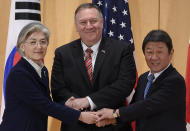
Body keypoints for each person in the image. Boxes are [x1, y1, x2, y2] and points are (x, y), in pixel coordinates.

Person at [51, 3, 136, 131]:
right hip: (75, 126)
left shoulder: (122, 49)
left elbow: (125, 84)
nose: (89, 26)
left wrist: (88, 101)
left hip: (113, 126)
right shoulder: (62, 53)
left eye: (93, 21)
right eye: (83, 22)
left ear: (102, 22)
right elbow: (58, 90)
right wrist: (76, 109)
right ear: (76, 26)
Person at [0, 22, 98, 131]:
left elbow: (46, 101)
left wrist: (66, 105)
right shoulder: (19, 74)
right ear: (22, 46)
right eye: (33, 42)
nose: (39, 46)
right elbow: (44, 105)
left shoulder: (42, 70)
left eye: (43, 42)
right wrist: (80, 116)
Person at [96, 30, 187, 131]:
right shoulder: (143, 78)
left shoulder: (175, 80)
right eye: (149, 52)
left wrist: (114, 113)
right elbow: (134, 108)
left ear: (171, 53)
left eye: (160, 52)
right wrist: (112, 120)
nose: (154, 57)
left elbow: (147, 106)